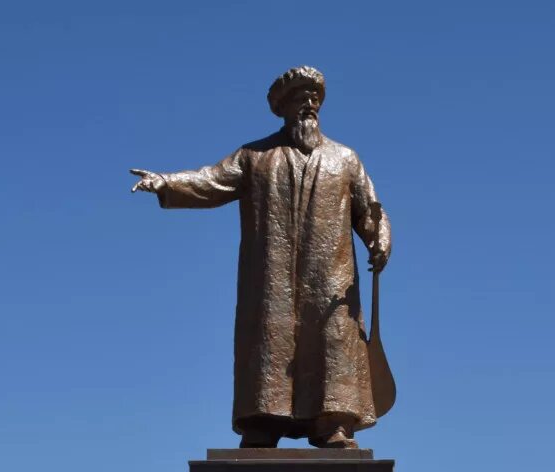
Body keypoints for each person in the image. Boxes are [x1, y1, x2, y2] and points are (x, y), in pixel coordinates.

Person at [131, 66, 392, 448]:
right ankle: (263, 422)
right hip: (272, 276)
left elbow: (370, 209)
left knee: (332, 342)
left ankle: (332, 423)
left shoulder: (345, 159)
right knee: (270, 340)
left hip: (331, 278)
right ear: (282, 108)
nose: (309, 105)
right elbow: (211, 181)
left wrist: (380, 237)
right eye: (300, 99)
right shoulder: (256, 157)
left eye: (314, 98)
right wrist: (166, 183)